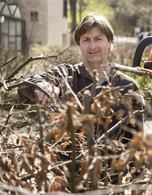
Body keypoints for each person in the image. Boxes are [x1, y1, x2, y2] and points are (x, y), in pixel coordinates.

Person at [18, 13, 144, 142]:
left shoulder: (127, 86)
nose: (92, 46)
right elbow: (22, 87)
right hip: (68, 161)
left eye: (98, 38)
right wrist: (39, 85)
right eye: (86, 40)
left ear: (109, 42)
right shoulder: (65, 75)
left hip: (111, 161)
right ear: (79, 45)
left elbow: (135, 143)